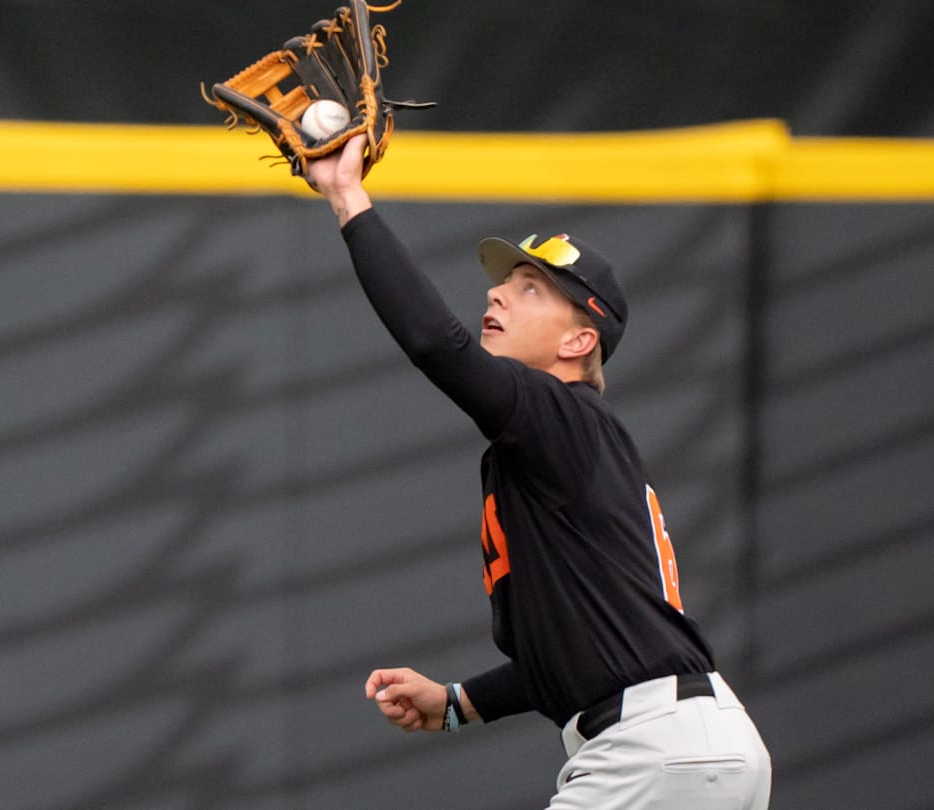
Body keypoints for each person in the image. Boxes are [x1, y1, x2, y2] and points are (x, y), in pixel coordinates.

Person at [307, 135, 772, 809]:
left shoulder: (562, 416)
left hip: (651, 751)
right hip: (688, 744)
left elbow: (437, 344)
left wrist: (349, 198)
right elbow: (576, 646)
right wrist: (457, 703)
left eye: (531, 289)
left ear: (578, 341)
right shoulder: (563, 446)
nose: (499, 292)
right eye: (506, 281)